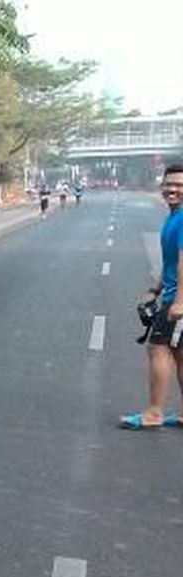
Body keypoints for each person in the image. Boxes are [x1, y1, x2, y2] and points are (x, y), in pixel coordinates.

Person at [120, 163, 183, 430]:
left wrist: (179, 301)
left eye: (180, 186)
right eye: (169, 184)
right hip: (170, 293)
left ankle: (154, 413)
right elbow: (170, 262)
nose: (173, 189)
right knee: (180, 353)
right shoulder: (174, 217)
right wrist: (156, 289)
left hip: (178, 298)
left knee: (158, 349)